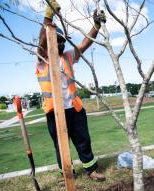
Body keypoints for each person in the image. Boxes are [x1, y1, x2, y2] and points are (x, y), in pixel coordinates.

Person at [36, 0, 106, 181]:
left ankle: (91, 170)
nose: (59, 43)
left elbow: (84, 44)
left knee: (83, 140)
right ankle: (67, 175)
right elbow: (42, 40)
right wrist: (48, 16)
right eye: (56, 39)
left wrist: (96, 26)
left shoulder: (68, 56)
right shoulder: (42, 60)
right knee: (60, 145)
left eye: (61, 40)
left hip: (74, 109)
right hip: (54, 112)